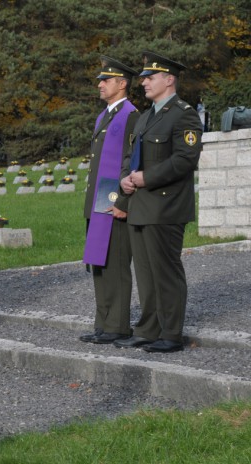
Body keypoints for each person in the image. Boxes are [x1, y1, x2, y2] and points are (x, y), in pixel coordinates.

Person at [116, 51, 203, 353]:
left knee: (165, 271)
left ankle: (171, 333)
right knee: (146, 274)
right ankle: (148, 329)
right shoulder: (145, 117)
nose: (143, 83)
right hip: (140, 204)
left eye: (149, 78)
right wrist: (126, 177)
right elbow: (131, 155)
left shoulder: (183, 114)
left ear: (169, 80)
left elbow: (184, 160)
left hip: (165, 206)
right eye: (142, 78)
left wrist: (146, 178)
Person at [79, 56, 140, 345]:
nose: (100, 84)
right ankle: (103, 323)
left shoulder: (130, 115)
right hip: (98, 197)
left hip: (112, 197)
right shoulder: (104, 116)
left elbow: (130, 162)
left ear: (122, 83)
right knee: (99, 264)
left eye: (106, 80)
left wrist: (120, 202)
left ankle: (117, 324)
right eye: (100, 80)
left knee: (115, 262)